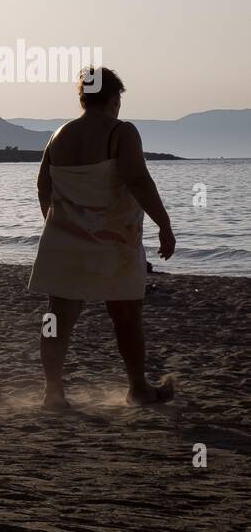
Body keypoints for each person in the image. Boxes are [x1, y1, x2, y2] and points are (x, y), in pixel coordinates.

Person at [29, 67, 176, 409]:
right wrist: (164, 224)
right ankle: (137, 388)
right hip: (114, 242)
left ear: (82, 98)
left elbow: (42, 187)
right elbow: (138, 180)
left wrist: (55, 225)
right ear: (113, 99)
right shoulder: (121, 132)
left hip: (64, 241)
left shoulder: (59, 135)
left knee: (57, 318)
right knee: (126, 316)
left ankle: (53, 392)